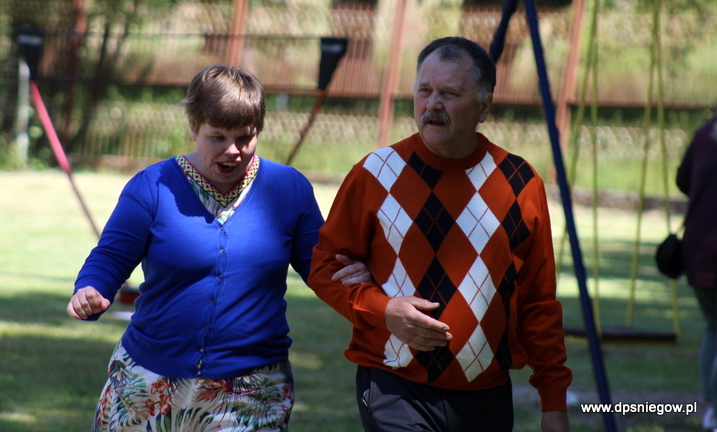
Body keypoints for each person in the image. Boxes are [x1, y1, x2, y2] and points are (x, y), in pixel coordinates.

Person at [67, 64, 370, 432]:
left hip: (252, 387)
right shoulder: (153, 185)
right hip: (149, 380)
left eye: (245, 137)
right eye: (217, 137)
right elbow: (112, 256)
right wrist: (91, 288)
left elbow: (319, 266)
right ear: (194, 128)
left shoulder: (288, 189)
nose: (233, 151)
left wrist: (353, 280)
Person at [308, 37, 573, 432]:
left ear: (484, 106)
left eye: (449, 93)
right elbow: (325, 268)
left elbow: (539, 303)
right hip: (394, 387)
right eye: (424, 90)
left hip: (487, 395)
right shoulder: (374, 174)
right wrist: (383, 309)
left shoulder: (520, 182)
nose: (432, 104)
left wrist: (554, 403)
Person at [675, 111, 717, 431]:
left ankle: (710, 409)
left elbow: (682, 179)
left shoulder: (706, 131)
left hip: (698, 244)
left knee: (713, 327)